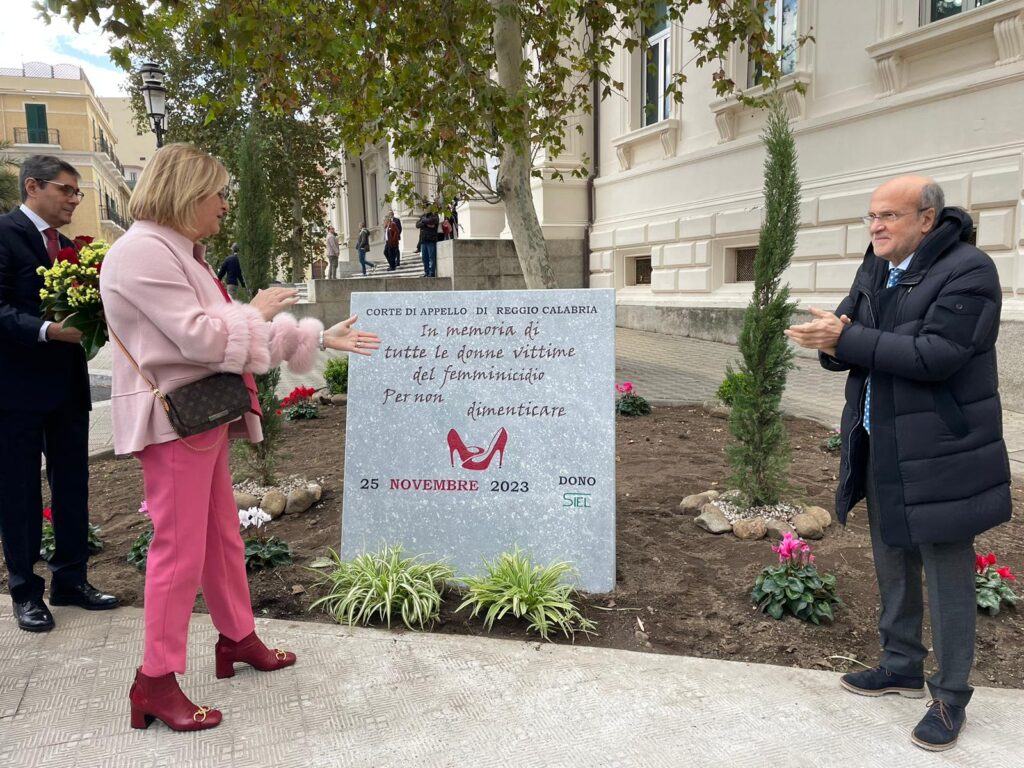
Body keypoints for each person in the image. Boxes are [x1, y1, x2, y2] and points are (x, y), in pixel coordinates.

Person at [100, 143, 380, 732]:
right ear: (187, 192)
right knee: (178, 551)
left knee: (222, 536)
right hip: (175, 423)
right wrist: (252, 307)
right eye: (218, 193)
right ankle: (153, 681)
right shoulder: (143, 252)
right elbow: (207, 340)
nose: (226, 206)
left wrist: (319, 339)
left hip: (197, 420)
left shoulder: (179, 253)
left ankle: (237, 638)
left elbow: (240, 340)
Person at [785, 175, 1011, 753]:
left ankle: (950, 696)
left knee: (945, 567)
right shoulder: (877, 265)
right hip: (879, 436)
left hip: (941, 446)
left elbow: (937, 355)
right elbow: (850, 338)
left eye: (888, 216)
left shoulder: (969, 271)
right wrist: (827, 341)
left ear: (927, 220)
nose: (876, 226)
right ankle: (902, 664)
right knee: (890, 553)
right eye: (871, 217)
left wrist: (847, 338)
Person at [0, 155, 119, 633]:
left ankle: (71, 581)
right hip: (16, 392)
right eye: (66, 190)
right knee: (20, 493)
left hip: (68, 389)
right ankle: (25, 591)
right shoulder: (5, 235)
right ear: (33, 186)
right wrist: (48, 330)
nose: (74, 199)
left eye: (77, 193)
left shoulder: (71, 248)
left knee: (74, 486)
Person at [416, 206, 440, 277]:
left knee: (431, 257)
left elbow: (433, 221)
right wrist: (427, 224)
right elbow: (417, 225)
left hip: (431, 239)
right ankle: (426, 272)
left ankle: (431, 272)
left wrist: (423, 222)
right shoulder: (423, 216)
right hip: (423, 240)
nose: (425, 209)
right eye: (424, 207)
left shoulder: (434, 215)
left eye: (426, 207)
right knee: (424, 258)